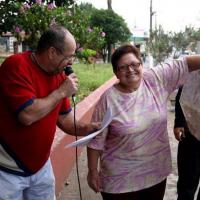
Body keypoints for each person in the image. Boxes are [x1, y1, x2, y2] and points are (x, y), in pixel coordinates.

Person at [87, 44, 200, 200]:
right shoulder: (108, 99)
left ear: (141, 65)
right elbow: (96, 140)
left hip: (155, 175)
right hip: (119, 181)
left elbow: (184, 64)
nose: (131, 70)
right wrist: (92, 170)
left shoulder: (155, 79)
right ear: (116, 73)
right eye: (123, 67)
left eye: (135, 64)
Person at [0, 26, 99, 200]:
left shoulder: (59, 76)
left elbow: (65, 120)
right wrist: (61, 92)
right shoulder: (16, 66)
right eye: (69, 57)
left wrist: (92, 129)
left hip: (41, 166)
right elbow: (27, 115)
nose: (71, 63)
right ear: (52, 52)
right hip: (8, 169)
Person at [174, 87, 200, 200]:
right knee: (186, 183)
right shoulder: (192, 74)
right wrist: (179, 122)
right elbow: (182, 96)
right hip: (191, 134)